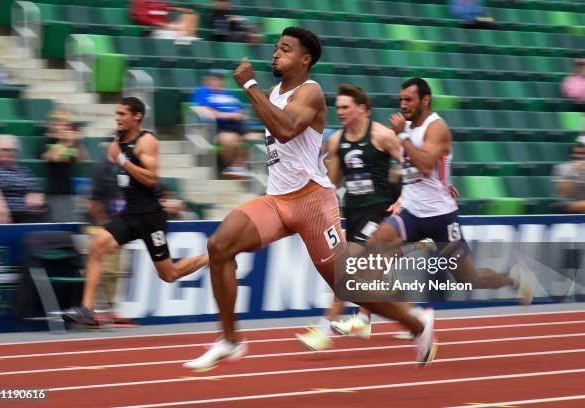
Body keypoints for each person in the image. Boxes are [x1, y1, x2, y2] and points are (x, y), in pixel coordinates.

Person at [183, 28, 436, 370]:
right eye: (275, 48)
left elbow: (287, 129)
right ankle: (230, 340)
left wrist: (248, 86)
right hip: (277, 200)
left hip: (312, 203)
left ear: (305, 59)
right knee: (219, 246)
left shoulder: (311, 91)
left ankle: (418, 325)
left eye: (285, 49)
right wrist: (257, 92)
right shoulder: (273, 92)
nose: (275, 54)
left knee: (349, 287)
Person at [360, 78, 532, 308]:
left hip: (440, 217)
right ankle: (407, 314)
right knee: (375, 245)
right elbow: (410, 169)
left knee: (469, 279)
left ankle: (513, 279)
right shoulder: (407, 128)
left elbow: (424, 165)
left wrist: (402, 137)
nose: (403, 105)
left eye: (409, 100)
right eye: (401, 100)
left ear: (426, 100)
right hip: (411, 212)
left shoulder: (436, 127)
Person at [62, 97, 209, 325]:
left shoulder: (147, 141)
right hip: (130, 214)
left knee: (168, 275)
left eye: (122, 114)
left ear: (137, 116)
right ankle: (87, 309)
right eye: (117, 113)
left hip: (151, 217)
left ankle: (214, 256)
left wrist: (124, 162)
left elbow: (151, 179)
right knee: (96, 247)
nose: (117, 117)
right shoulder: (116, 142)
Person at [295, 84, 405, 350]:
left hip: (378, 211)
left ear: (361, 109)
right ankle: (412, 317)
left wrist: (402, 200)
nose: (340, 112)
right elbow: (333, 181)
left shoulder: (382, 135)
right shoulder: (336, 141)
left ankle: (324, 330)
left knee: (346, 268)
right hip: (352, 212)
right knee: (370, 278)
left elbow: (409, 163)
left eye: (346, 107)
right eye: (338, 108)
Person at [191, 68, 263, 178]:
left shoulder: (229, 94)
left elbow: (241, 109)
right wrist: (229, 115)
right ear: (207, 80)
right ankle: (234, 167)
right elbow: (203, 109)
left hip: (238, 125)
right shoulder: (203, 91)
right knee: (230, 139)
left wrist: (242, 114)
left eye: (221, 79)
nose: (218, 81)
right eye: (215, 79)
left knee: (258, 137)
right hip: (217, 127)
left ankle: (237, 167)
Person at [0, 134, 47, 224]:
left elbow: (34, 190)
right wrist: (0, 211)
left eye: (7, 150)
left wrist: (36, 197)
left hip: (23, 211)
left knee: (43, 210)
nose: (1, 153)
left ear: (16, 152)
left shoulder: (22, 169)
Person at [41, 110, 89, 223]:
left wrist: (78, 142)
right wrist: (63, 141)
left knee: (70, 224)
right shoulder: (45, 140)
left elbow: (82, 158)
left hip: (68, 190)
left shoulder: (69, 142)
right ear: (51, 124)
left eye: (65, 124)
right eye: (59, 123)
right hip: (54, 191)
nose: (62, 127)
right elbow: (50, 157)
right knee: (59, 224)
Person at [130, 0, 199, 43]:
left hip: (166, 27)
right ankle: (184, 40)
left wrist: (177, 9)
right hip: (155, 30)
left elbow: (162, 7)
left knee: (190, 14)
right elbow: (139, 17)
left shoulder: (157, 2)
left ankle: (187, 38)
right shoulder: (139, 2)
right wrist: (164, 25)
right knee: (177, 33)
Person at [553, 135, 585, 213]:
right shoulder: (562, 168)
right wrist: (573, 172)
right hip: (568, 205)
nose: (579, 155)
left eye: (583, 153)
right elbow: (564, 194)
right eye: (577, 152)